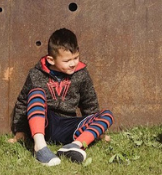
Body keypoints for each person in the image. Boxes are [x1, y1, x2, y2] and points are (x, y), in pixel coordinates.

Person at [9, 28, 113, 166]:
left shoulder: (81, 74)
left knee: (107, 115)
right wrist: (20, 131)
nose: (73, 63)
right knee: (36, 93)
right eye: (67, 60)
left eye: (76, 58)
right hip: (44, 124)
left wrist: (95, 132)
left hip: (69, 126)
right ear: (51, 60)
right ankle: (40, 146)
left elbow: (89, 102)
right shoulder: (36, 74)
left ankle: (74, 146)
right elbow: (23, 102)